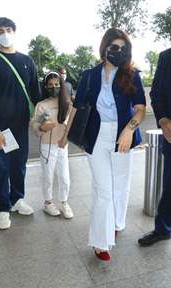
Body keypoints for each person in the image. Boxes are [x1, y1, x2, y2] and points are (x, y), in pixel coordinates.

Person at [59, 28, 146, 261]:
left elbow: (140, 109)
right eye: (114, 47)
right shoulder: (89, 75)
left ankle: (116, 221)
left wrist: (129, 129)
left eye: (123, 48)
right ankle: (100, 242)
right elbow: (77, 107)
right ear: (104, 48)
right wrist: (66, 134)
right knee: (104, 189)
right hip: (96, 137)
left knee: (120, 185)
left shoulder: (132, 74)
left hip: (122, 137)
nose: (118, 51)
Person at [0, 17, 41, 230]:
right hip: (0, 126)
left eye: (8, 29)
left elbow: (36, 94)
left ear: (14, 32)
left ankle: (17, 200)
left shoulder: (27, 61)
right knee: (0, 167)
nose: (4, 33)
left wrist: (46, 115)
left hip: (20, 124)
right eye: (0, 31)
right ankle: (3, 207)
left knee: (19, 164)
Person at [138, 48, 171, 247]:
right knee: (170, 186)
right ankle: (163, 229)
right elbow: (156, 93)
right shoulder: (166, 57)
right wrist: (164, 119)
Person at [31, 71, 74, 219]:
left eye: (56, 84)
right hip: (47, 146)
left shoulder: (67, 104)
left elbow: (72, 124)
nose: (54, 87)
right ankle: (48, 202)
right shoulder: (41, 106)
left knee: (64, 176)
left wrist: (66, 138)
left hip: (62, 144)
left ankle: (64, 202)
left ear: (61, 86)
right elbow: (35, 125)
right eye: (50, 85)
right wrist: (42, 128)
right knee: (48, 175)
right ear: (45, 87)